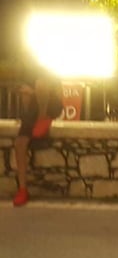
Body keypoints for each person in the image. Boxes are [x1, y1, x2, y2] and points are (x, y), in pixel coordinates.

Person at [11, 75, 64, 206]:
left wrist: (34, 92)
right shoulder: (23, 70)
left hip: (50, 106)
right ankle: (22, 189)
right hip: (32, 111)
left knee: (41, 83)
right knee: (19, 144)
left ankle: (42, 118)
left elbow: (57, 92)